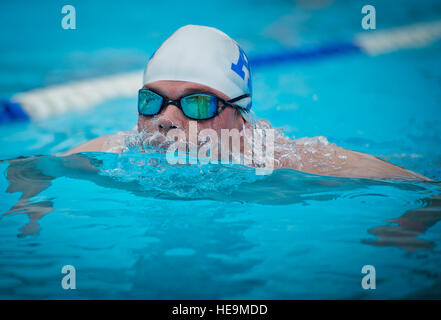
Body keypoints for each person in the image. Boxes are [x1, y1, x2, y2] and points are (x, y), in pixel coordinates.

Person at [63, 24, 430, 181]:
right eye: (152, 101)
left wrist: (406, 229)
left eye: (197, 103)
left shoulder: (277, 159)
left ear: (240, 118)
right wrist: (33, 204)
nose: (166, 119)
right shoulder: (120, 150)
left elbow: (424, 188)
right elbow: (29, 168)